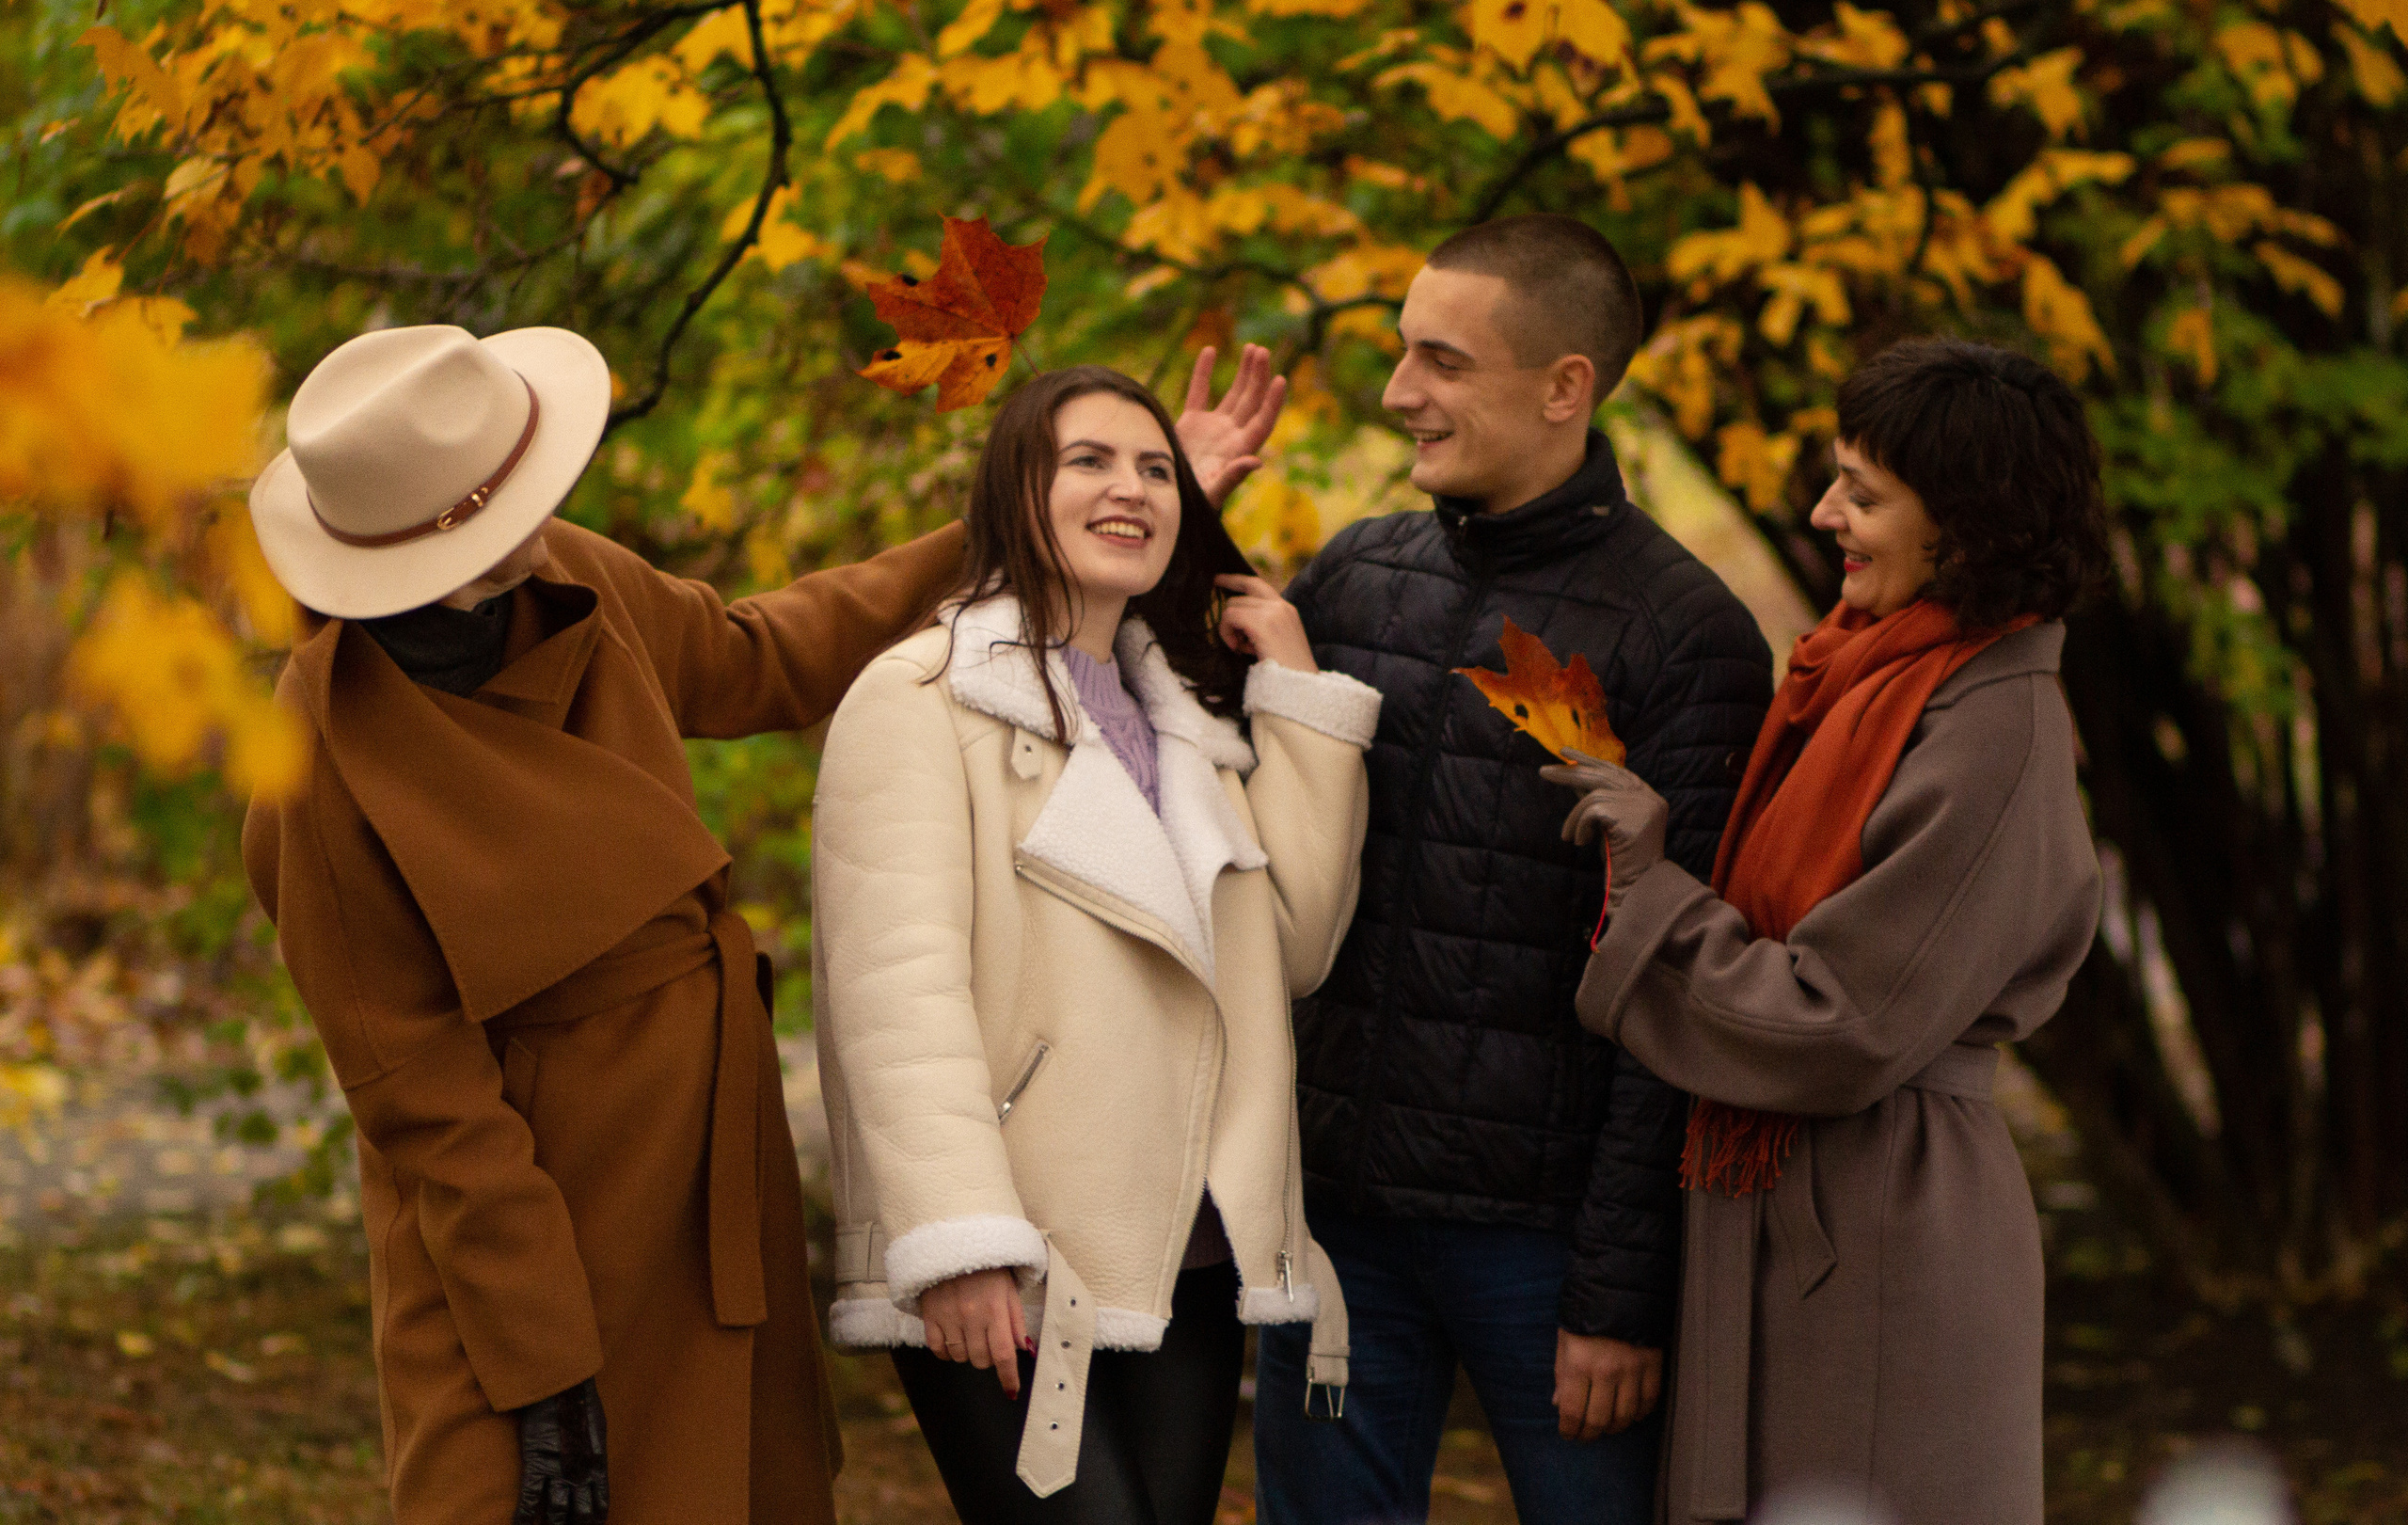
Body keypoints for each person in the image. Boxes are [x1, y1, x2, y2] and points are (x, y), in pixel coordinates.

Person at [239, 323, 1275, 1525]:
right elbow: (424, 1106)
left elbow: (760, 655)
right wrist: (544, 1368)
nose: (544, 501)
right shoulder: (318, 762)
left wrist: (1041, 520)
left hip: (705, 1161)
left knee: (730, 1482)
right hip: (521, 1225)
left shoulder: (568, 574)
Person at [1248, 214, 1774, 1525]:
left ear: (1565, 386)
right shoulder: (1357, 581)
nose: (1397, 393)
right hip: (1335, 1224)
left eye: (1441, 360)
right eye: (1400, 353)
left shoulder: (1684, 634)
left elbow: (1675, 991)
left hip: (1542, 1249)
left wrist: (1617, 1292)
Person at [809, 364, 1382, 1525]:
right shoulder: (915, 700)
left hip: (1188, 1247)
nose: (1132, 489)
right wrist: (962, 1238)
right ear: (1017, 489)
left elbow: (1294, 953)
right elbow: (895, 995)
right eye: (1090, 462)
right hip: (1012, 1248)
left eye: (1157, 470)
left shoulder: (1187, 722)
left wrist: (1298, 694)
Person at [1552, 338, 2112, 1524]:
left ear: (1961, 523)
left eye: (1862, 492)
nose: (1824, 514)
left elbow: (1842, 1023)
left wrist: (1651, 888)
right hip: (1797, 1200)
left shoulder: (1993, 726)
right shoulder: (1862, 674)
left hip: (1887, 1224)